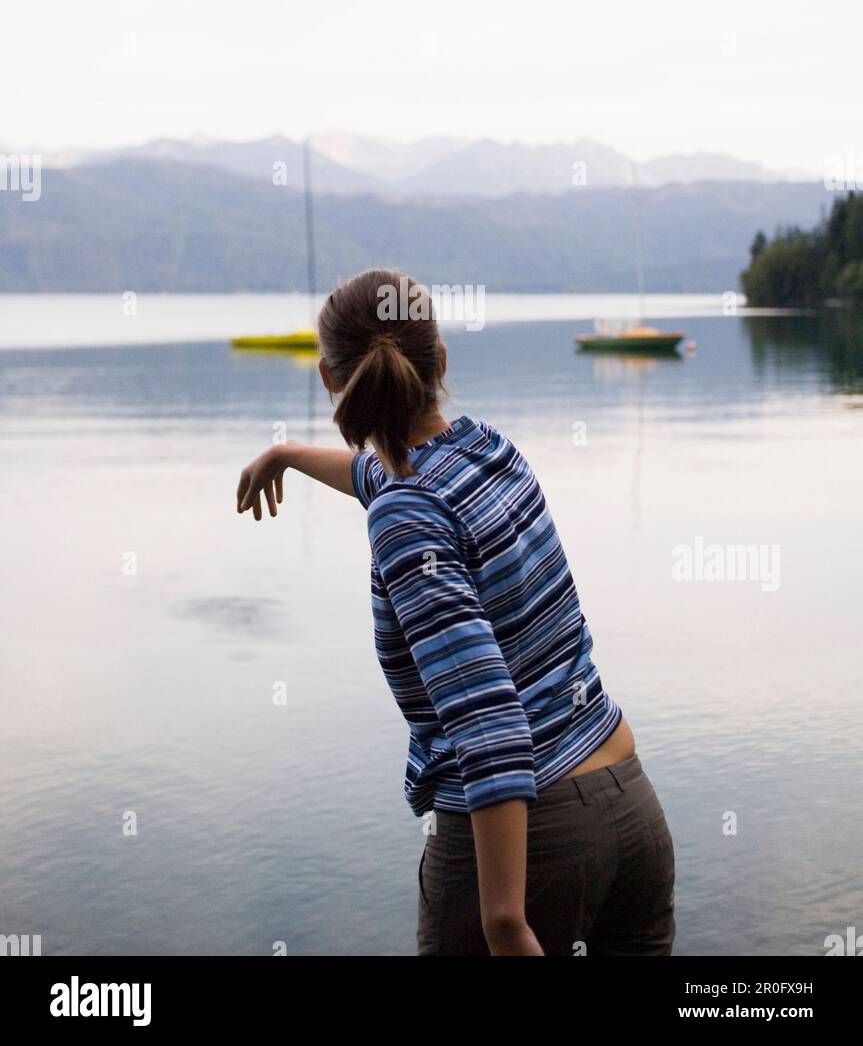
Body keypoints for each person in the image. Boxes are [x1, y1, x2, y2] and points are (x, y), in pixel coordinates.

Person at [236, 268, 675, 957]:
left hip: (531, 846)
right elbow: (384, 471)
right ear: (439, 361)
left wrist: (503, 920)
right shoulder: (486, 451)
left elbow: (486, 716)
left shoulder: (405, 516)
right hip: (629, 806)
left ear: (328, 379)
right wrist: (289, 456)